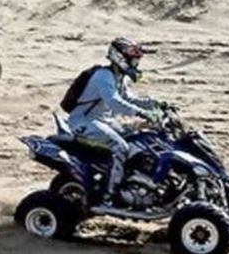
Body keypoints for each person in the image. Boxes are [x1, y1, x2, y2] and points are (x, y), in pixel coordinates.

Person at [67, 38, 160, 206]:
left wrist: (155, 104)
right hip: (84, 122)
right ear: (120, 58)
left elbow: (129, 98)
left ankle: (133, 181)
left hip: (103, 121)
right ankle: (109, 195)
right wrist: (141, 113)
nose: (136, 64)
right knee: (121, 147)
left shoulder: (119, 77)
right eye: (134, 60)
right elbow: (114, 102)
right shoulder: (103, 76)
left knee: (137, 138)